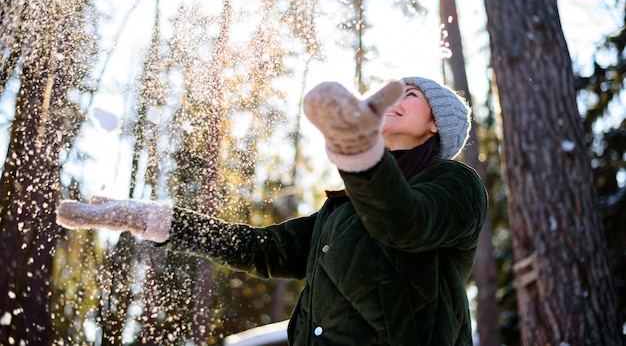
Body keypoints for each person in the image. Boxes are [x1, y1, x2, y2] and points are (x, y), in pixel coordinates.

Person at [57, 77, 488, 345]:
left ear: (436, 125)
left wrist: (359, 152)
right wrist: (158, 221)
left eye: (410, 95)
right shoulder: (340, 212)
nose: (395, 98)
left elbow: (405, 223)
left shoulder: (455, 183)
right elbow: (260, 249)